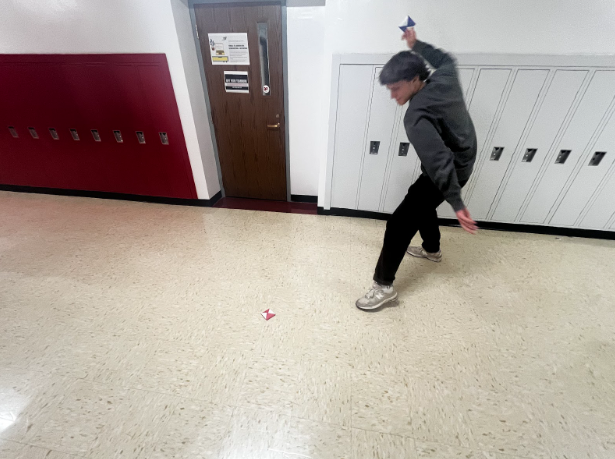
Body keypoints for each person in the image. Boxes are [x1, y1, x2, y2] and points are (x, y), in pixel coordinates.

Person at [356, 28, 478, 311]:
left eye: (396, 88)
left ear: (414, 80)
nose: (392, 95)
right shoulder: (445, 77)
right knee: (421, 200)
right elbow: (446, 59)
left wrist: (457, 202)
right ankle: (432, 250)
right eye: (389, 89)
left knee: (399, 222)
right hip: (464, 156)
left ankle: (383, 287)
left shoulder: (416, 114)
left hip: (451, 167)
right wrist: (416, 44)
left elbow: (438, 162)